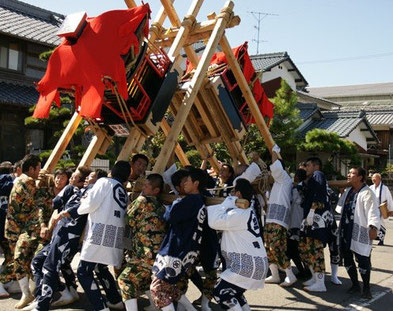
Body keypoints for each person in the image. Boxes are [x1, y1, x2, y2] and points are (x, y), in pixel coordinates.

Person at [26, 170, 107, 311]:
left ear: (99, 181)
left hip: (67, 234)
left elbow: (75, 207)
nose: (86, 178)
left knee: (50, 267)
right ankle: (63, 293)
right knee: (39, 261)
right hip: (63, 234)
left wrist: (64, 213)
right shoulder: (78, 190)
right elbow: (55, 202)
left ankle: (42, 304)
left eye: (91, 177)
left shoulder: (92, 190)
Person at [150, 168, 207, 311]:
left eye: (187, 180)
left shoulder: (191, 201)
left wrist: (170, 205)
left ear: (196, 183)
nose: (184, 183)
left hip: (175, 250)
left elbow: (170, 216)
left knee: (158, 289)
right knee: (169, 288)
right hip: (187, 251)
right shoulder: (200, 201)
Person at [77, 161, 130, 311]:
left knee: (83, 272)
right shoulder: (122, 190)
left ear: (111, 171)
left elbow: (89, 204)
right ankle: (114, 299)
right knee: (100, 267)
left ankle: (100, 307)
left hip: (99, 233)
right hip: (115, 235)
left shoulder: (104, 182)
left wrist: (80, 206)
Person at [208, 178, 268, 311]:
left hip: (246, 264)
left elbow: (213, 222)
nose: (230, 194)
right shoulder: (247, 211)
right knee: (234, 293)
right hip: (253, 262)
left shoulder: (239, 213)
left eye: (233, 192)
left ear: (238, 194)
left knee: (221, 292)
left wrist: (226, 203)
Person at [117, 174, 166, 311]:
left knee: (125, 279)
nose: (142, 188)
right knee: (145, 281)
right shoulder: (160, 206)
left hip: (145, 252)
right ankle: (154, 306)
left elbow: (128, 220)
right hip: (158, 252)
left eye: (146, 186)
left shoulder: (142, 201)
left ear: (155, 190)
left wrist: (133, 202)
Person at [0, 154, 41, 308]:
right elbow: (36, 203)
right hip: (24, 229)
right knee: (21, 260)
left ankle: (29, 293)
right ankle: (29, 293)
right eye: (38, 168)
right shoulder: (28, 181)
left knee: (21, 260)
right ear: (31, 169)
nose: (40, 171)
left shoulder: (17, 179)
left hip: (14, 228)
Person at [336, 167, 380, 299]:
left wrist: (373, 227)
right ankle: (355, 284)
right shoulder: (348, 191)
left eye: (352, 173)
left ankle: (366, 288)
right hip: (345, 230)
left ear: (360, 177)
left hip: (360, 230)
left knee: (363, 260)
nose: (349, 175)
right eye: (348, 172)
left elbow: (373, 211)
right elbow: (340, 208)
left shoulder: (367, 193)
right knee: (347, 258)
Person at [299, 157, 333, 292]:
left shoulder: (318, 175)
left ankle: (320, 282)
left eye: (308, 165)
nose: (306, 168)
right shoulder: (311, 178)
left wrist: (313, 210)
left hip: (317, 217)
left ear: (316, 166)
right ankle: (314, 277)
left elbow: (320, 193)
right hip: (310, 217)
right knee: (306, 248)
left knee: (315, 249)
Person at [264, 149, 297, 287]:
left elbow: (276, 165)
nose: (272, 172)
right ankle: (275, 275)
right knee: (268, 247)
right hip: (271, 218)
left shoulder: (284, 178)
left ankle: (290, 274)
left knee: (276, 247)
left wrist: (274, 151)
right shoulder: (278, 182)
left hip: (279, 220)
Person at [287, 168, 309, 279]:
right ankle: (304, 270)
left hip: (295, 221)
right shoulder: (306, 187)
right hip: (302, 221)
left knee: (292, 249)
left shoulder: (296, 189)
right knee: (299, 249)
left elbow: (291, 201)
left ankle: (303, 271)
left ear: (297, 177)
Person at [369, 173, 393, 245]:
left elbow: (389, 199)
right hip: (372, 208)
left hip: (381, 208)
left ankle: (381, 240)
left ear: (379, 179)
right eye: (372, 178)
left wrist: (391, 210)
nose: (373, 179)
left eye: (375, 178)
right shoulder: (371, 187)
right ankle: (372, 237)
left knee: (381, 224)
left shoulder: (384, 188)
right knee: (372, 223)